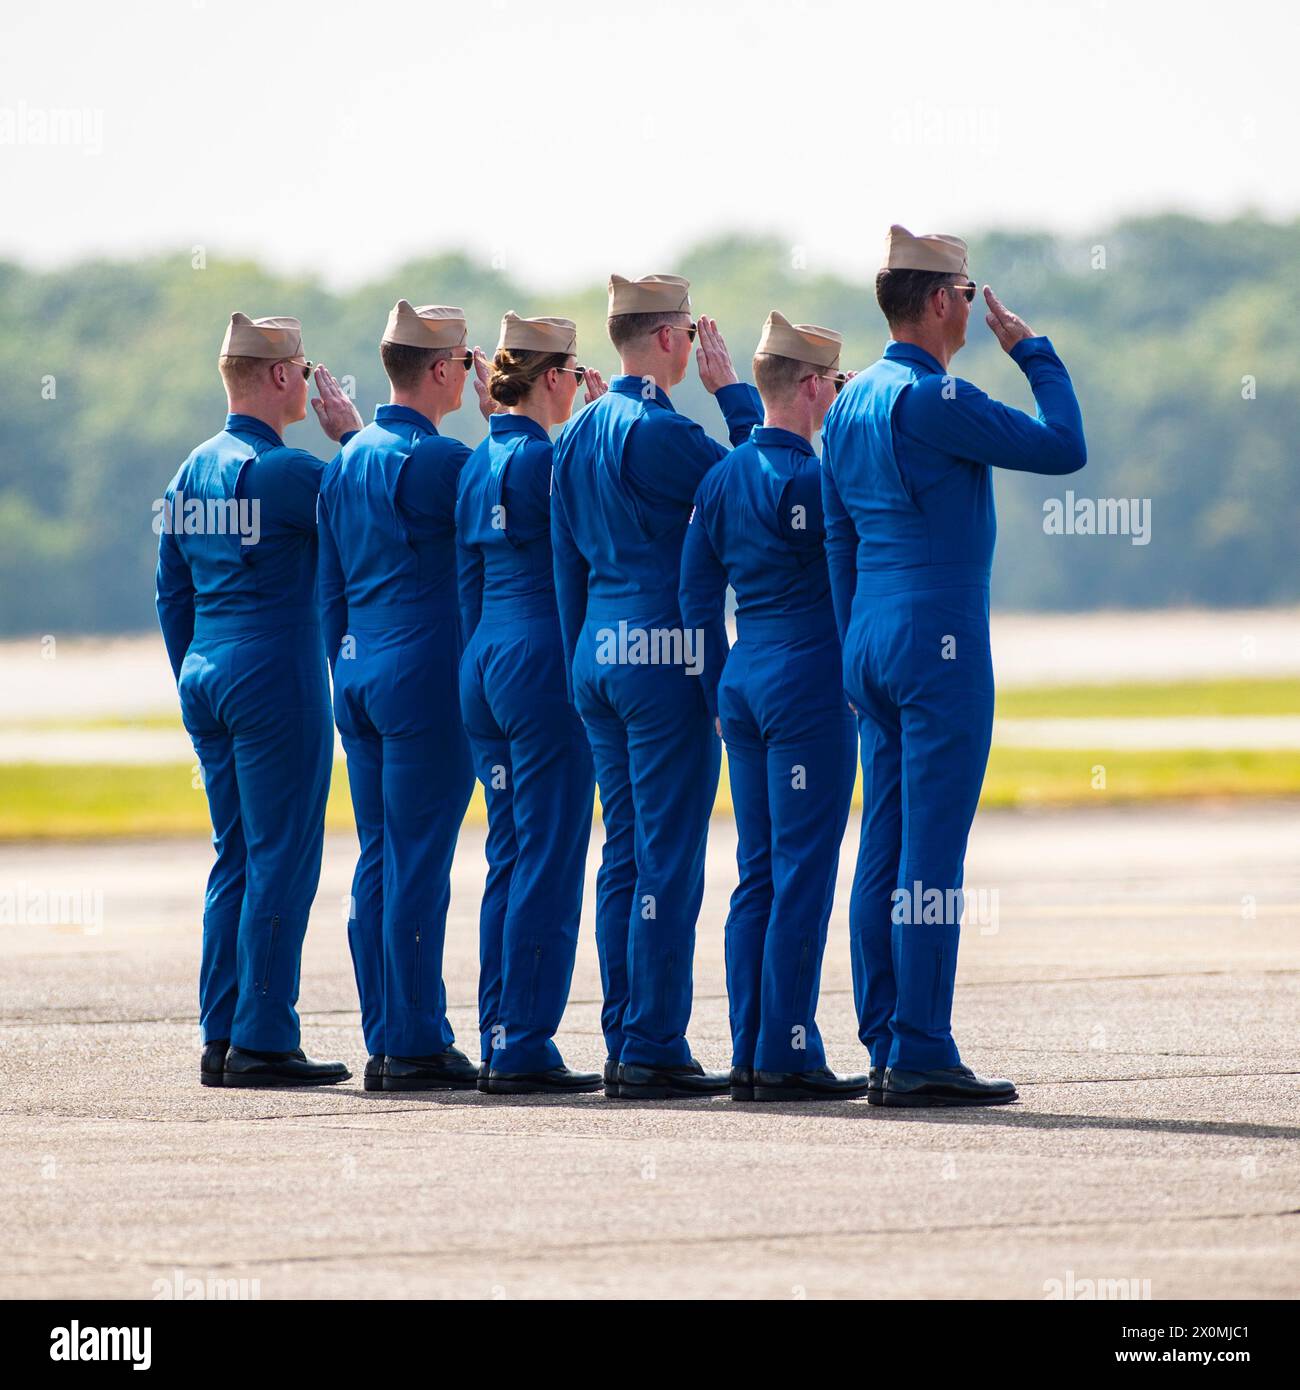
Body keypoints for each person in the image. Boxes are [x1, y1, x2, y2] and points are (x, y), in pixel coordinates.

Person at [821, 225, 1087, 1107]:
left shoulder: (850, 401)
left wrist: (852, 638)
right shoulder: (935, 395)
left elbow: (836, 536)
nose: (974, 310)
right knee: (931, 854)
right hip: (939, 637)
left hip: (870, 632)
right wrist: (1034, 352)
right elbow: (1063, 446)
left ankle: (886, 1042)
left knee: (884, 848)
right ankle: (924, 1049)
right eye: (969, 296)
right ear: (941, 300)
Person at [551, 273, 762, 1100]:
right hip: (660, 654)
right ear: (673, 339)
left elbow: (562, 563)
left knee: (623, 855)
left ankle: (623, 1034)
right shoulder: (660, 433)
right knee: (668, 858)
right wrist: (737, 394)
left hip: (597, 650)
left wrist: (578, 659)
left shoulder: (576, 431)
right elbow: (760, 484)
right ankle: (652, 1044)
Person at [156, 312, 361, 1087]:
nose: (310, 385)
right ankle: (266, 1038)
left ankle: (223, 1030)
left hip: (207, 668)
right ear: (280, 378)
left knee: (235, 855)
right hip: (273, 671)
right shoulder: (285, 472)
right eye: (305, 372)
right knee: (283, 856)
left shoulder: (189, 472)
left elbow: (170, 594)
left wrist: (194, 675)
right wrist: (350, 434)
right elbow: (372, 494)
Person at [680, 311, 866, 1103]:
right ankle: (787, 1053)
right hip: (807, 683)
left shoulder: (721, 478)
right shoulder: (821, 482)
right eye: (837, 385)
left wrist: (715, 688)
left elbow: (694, 596)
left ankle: (753, 1048)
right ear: (816, 386)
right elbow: (848, 585)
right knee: (802, 873)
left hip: (744, 680)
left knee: (756, 872)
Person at [317, 300, 490, 1092]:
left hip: (357, 674)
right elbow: (515, 504)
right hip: (422, 675)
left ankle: (387, 1032)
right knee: (419, 862)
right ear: (445, 369)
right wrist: (506, 418)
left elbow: (330, 591)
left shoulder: (347, 461)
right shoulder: (448, 462)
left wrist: (343, 668)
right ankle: (416, 1040)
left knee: (380, 858)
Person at [456, 313, 608, 1094]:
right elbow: (586, 558)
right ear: (554, 379)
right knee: (549, 857)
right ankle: (524, 1045)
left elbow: (465, 583)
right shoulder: (550, 461)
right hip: (541, 658)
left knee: (508, 855)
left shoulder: (479, 460)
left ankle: (497, 1028)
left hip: (482, 658)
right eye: (576, 374)